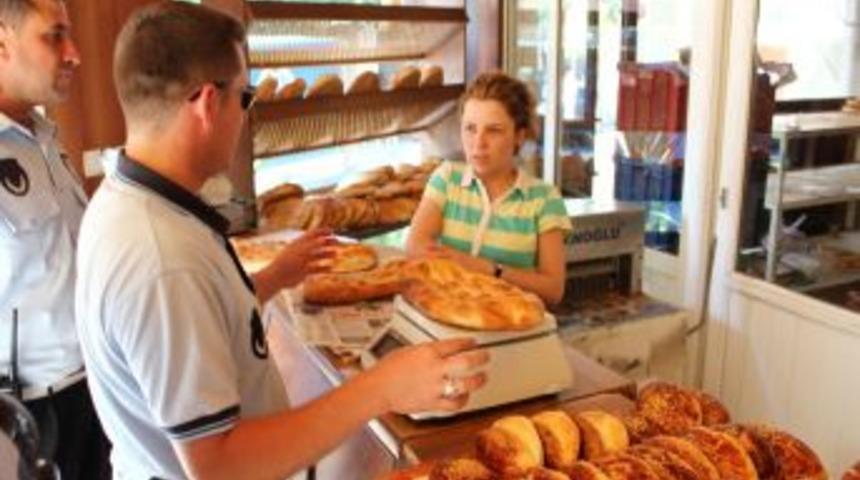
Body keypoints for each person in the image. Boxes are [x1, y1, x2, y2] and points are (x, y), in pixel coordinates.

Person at [75, 3, 488, 479]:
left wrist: (274, 278)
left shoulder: (128, 200)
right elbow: (219, 465)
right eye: (245, 97)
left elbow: (197, 324)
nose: (245, 114)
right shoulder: (162, 256)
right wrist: (381, 388)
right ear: (209, 103)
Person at [0, 1, 110, 478]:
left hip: (96, 384)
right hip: (36, 413)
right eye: (54, 36)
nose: (75, 54)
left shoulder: (45, 136)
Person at [407, 72, 573, 305]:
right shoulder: (446, 179)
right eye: (470, 128)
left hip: (513, 327)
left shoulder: (544, 199)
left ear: (519, 136)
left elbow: (553, 289)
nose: (478, 143)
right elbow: (416, 247)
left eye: (493, 130)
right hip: (450, 313)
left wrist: (488, 269)